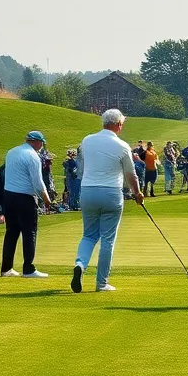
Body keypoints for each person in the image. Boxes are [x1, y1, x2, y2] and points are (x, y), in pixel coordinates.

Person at [71, 110, 144, 293]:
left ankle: (80, 264)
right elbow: (130, 174)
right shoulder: (122, 145)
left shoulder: (87, 140)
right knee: (107, 240)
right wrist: (137, 193)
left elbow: (82, 166)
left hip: (88, 191)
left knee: (89, 235)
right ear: (119, 124)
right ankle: (101, 283)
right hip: (111, 193)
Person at [0, 131, 51, 279]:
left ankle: (6, 268)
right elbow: (37, 181)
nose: (41, 146)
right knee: (29, 232)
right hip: (25, 198)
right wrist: (46, 199)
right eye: (41, 143)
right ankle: (28, 268)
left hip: (8, 196)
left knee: (11, 232)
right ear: (37, 142)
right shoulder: (32, 156)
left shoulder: (12, 152)